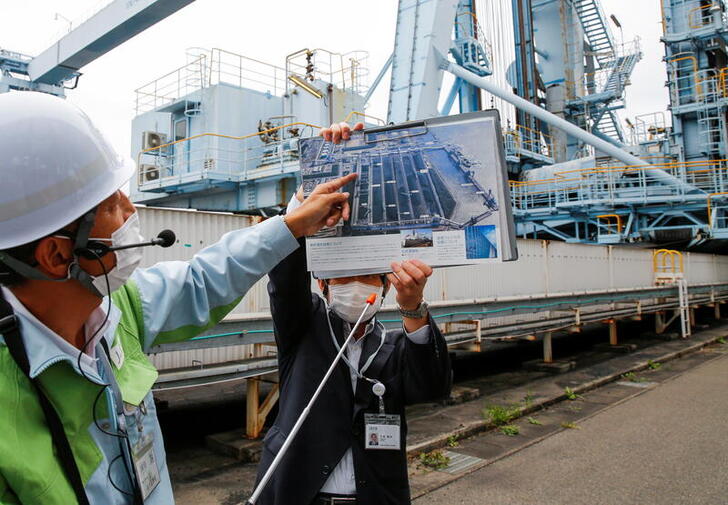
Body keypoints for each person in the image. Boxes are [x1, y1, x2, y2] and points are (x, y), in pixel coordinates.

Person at [0, 91, 357, 505]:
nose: (132, 210)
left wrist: (296, 216)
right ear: (58, 254)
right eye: (113, 205)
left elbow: (205, 279)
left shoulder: (119, 309)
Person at [254, 123, 452, 505]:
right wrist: (318, 176)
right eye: (343, 276)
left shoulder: (394, 344)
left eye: (367, 275)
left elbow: (432, 387)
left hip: (373, 495)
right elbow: (284, 277)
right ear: (323, 286)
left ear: (385, 286)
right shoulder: (303, 326)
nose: (357, 285)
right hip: (298, 492)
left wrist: (413, 309)